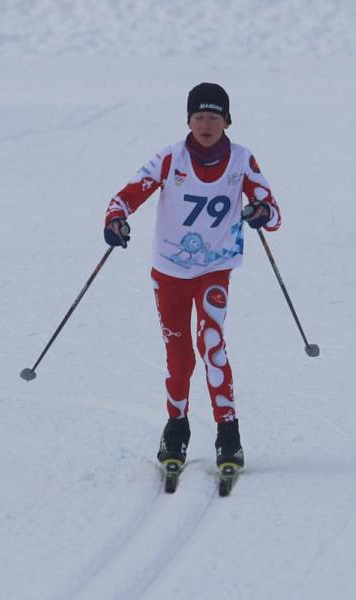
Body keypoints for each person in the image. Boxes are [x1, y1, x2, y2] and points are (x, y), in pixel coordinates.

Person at [103, 83, 281, 470]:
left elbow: (273, 210)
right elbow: (126, 196)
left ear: (227, 121)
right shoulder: (171, 158)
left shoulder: (242, 160)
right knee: (179, 358)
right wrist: (116, 220)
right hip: (169, 271)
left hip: (214, 269)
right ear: (188, 120)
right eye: (198, 116)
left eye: (214, 117)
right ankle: (176, 426)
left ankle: (228, 433)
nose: (205, 124)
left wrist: (261, 213)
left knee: (212, 344)